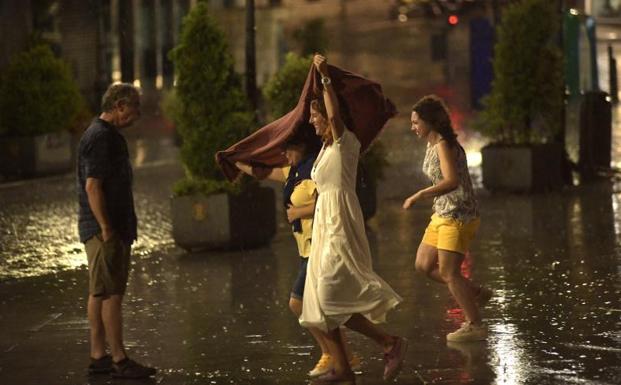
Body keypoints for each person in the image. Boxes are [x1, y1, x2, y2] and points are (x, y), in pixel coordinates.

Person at [300, 54, 407, 382]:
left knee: (331, 297)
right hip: (323, 224)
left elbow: (334, 116)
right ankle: (344, 369)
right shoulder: (321, 151)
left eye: (314, 115)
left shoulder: (346, 144)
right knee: (319, 301)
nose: (311, 121)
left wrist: (323, 77)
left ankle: (389, 341)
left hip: (340, 222)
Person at [235, 130, 360, 378]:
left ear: (302, 147)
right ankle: (343, 355)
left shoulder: (314, 170)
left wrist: (298, 212)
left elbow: (329, 199)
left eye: (288, 150)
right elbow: (264, 172)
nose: (285, 155)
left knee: (300, 303)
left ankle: (333, 354)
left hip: (319, 244)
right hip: (305, 247)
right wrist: (236, 161)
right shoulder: (293, 172)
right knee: (320, 305)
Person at [77, 83, 156, 379]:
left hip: (107, 228)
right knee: (111, 293)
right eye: (135, 108)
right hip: (104, 230)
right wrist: (107, 227)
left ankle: (99, 356)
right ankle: (119, 359)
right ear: (120, 105)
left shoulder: (105, 135)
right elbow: (92, 186)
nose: (137, 115)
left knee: (100, 291)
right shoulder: (100, 138)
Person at [403, 95, 492, 342]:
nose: (413, 127)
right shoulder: (431, 143)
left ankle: (475, 324)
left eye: (416, 122)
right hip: (441, 212)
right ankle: (474, 292)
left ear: (430, 122)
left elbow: (451, 181)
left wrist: (420, 194)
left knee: (449, 272)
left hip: (458, 214)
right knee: (423, 265)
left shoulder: (443, 144)